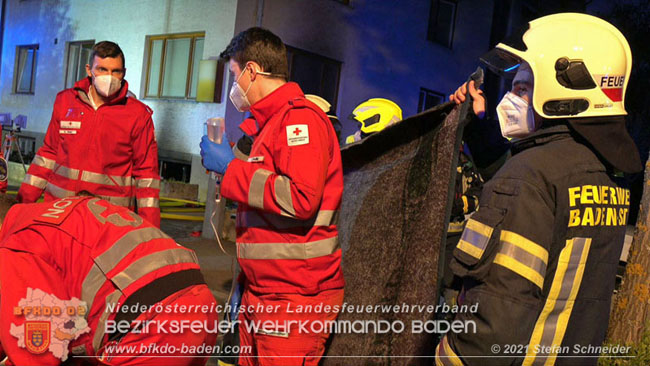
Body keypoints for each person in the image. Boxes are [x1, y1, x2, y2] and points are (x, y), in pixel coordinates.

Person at [438, 13, 641, 366]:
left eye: (521, 89)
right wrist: (479, 131)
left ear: (561, 91)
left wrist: (445, 357)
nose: (509, 100)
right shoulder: (605, 172)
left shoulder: (530, 177)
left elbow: (492, 327)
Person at [199, 27, 344, 366]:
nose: (235, 87)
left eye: (235, 75)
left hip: (294, 297)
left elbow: (300, 197)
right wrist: (244, 285)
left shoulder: (300, 122)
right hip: (264, 291)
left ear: (251, 71)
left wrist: (230, 169)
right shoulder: (270, 125)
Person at [0, 195, 218, 365]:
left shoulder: (17, 246)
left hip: (153, 325)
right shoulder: (60, 213)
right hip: (198, 305)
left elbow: (37, 354)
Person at [17, 41, 161, 227]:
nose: (109, 77)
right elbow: (48, 154)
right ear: (89, 70)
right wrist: (22, 204)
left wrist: (150, 230)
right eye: (102, 69)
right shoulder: (66, 101)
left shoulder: (138, 115)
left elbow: (147, 175)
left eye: (115, 71)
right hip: (59, 211)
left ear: (123, 73)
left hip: (110, 219)